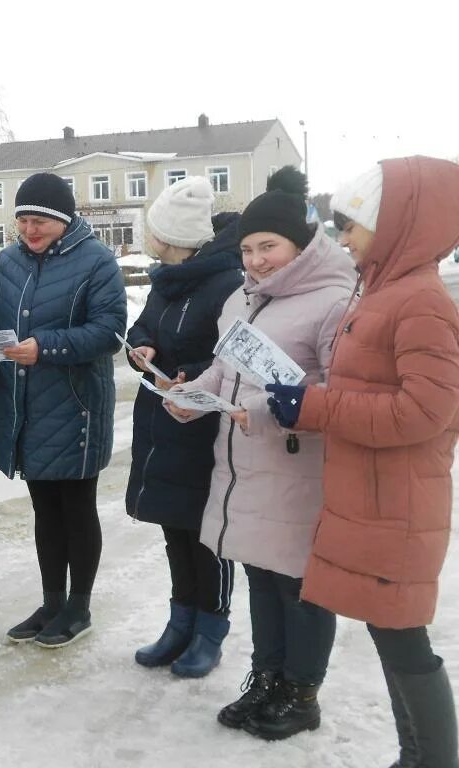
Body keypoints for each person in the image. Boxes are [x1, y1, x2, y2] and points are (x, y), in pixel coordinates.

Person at [266, 156, 459, 766]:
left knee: (403, 639)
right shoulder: (382, 291)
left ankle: (431, 758)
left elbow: (422, 412)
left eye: (351, 225)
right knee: (391, 632)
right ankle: (417, 756)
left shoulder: (420, 302)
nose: (341, 239)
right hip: (376, 498)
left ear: (398, 220)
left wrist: (317, 407)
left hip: (397, 504)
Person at [170, 167, 353, 740]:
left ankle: (302, 692)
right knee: (261, 575)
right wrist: (193, 396)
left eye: (268, 246)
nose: (256, 260)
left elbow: (342, 392)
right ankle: (267, 677)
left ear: (298, 245)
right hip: (244, 468)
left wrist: (278, 409)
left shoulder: (334, 302)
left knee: (300, 584)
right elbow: (226, 369)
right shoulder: (241, 301)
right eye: (247, 249)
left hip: (301, 470)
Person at [0, 172, 126, 648]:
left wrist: (47, 347)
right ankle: (52, 600)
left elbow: (109, 330)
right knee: (43, 509)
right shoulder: (9, 259)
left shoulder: (97, 261)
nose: (29, 230)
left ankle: (79, 605)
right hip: (23, 405)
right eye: (23, 221)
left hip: (75, 404)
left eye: (39, 221)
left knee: (75, 508)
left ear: (63, 219)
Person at [124, 177, 243, 677]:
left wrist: (190, 376)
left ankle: (211, 629)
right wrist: (142, 346)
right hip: (162, 419)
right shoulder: (167, 279)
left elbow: (232, 355)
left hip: (203, 426)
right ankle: (180, 621)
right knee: (175, 528)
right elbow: (145, 325)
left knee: (207, 534)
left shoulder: (224, 283)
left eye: (153, 229)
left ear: (169, 235)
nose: (148, 236)